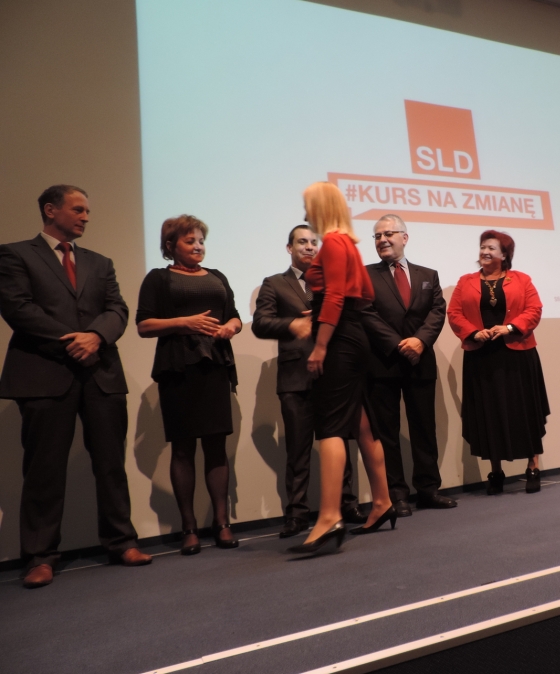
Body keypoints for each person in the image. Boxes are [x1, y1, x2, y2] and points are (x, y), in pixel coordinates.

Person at [0, 185, 151, 589]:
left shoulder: (100, 262)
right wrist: (74, 340)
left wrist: (96, 337)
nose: (86, 217)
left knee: (110, 464)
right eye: (78, 209)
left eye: (87, 211)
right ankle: (40, 557)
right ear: (51, 210)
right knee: (44, 469)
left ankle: (122, 542)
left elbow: (117, 309)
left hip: (101, 372)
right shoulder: (15, 254)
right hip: (44, 373)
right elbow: (18, 309)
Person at [287, 181, 394, 556]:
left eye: (308, 206)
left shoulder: (333, 242)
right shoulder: (347, 243)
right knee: (362, 422)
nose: (305, 213)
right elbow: (361, 295)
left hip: (340, 344)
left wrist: (320, 344)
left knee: (331, 426)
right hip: (352, 336)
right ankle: (382, 501)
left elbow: (334, 295)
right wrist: (321, 313)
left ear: (321, 207)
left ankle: (329, 516)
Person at [136, 215, 243, 555]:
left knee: (216, 446)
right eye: (190, 241)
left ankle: (222, 523)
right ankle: (189, 528)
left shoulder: (217, 276)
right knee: (182, 449)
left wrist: (232, 326)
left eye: (201, 240)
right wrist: (184, 322)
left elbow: (234, 314)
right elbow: (143, 325)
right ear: (170, 246)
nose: (198, 246)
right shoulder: (158, 278)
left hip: (215, 367)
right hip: (178, 368)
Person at [251, 224, 366, 538]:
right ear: (290, 248)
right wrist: (293, 324)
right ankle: (297, 514)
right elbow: (260, 323)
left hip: (333, 373)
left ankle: (347, 504)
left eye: (314, 242)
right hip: (296, 376)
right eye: (302, 242)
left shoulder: (331, 281)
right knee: (298, 450)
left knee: (337, 442)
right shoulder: (274, 283)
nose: (310, 247)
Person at [361, 214, 456, 516]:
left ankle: (428, 490)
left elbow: (437, 311)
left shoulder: (428, 274)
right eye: (377, 236)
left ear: (405, 237)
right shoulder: (364, 275)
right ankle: (397, 495)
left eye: (388, 234)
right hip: (383, 362)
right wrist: (400, 344)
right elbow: (366, 314)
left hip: (420, 361)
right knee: (387, 433)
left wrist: (419, 342)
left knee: (424, 429)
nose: (382, 240)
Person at [447, 230, 550, 495]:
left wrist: (510, 327)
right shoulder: (465, 281)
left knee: (524, 410)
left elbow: (534, 309)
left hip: (517, 354)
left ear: (504, 255)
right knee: (489, 413)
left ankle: (533, 467)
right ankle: (496, 471)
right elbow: (454, 313)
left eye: (491, 248)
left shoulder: (522, 279)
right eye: (483, 247)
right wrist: (473, 332)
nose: (485, 251)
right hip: (481, 356)